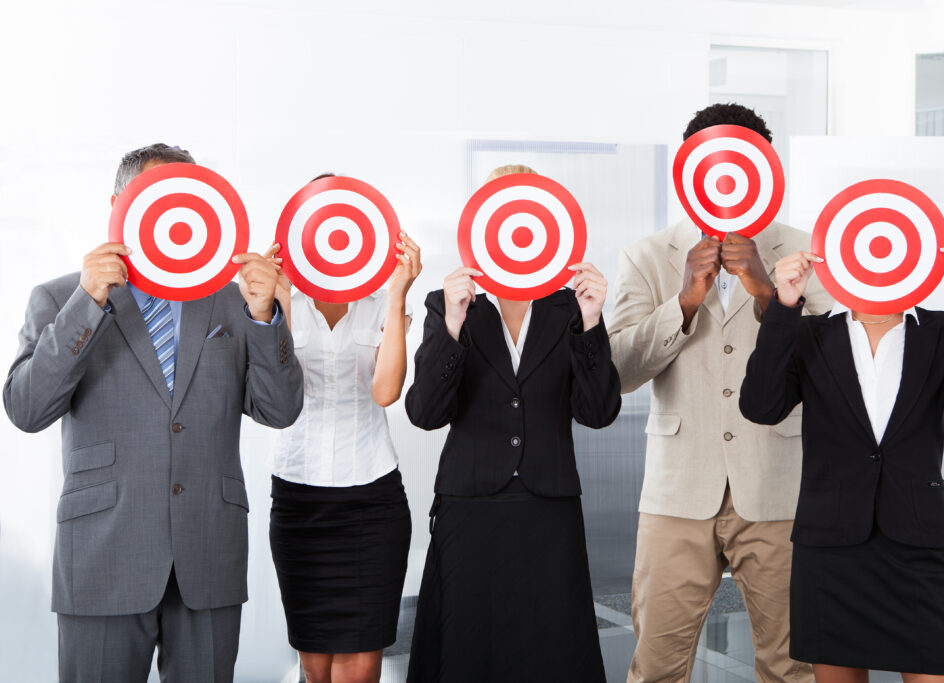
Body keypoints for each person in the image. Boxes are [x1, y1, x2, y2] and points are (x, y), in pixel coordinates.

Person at [3, 143, 304, 682]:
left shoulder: (235, 303)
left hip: (208, 556)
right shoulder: (59, 299)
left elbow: (280, 411)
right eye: (155, 198)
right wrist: (87, 303)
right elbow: (26, 409)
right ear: (118, 205)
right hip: (103, 557)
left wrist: (266, 319)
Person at [607, 103, 830, 682]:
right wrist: (682, 302)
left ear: (766, 166)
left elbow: (832, 370)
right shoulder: (648, 255)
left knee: (793, 668)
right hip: (677, 488)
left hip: (779, 484)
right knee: (656, 666)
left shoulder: (805, 249)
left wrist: (765, 290)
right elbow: (619, 372)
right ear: (689, 166)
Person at [739, 245, 944, 682]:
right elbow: (760, 406)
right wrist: (785, 303)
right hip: (831, 549)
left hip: (917, 545)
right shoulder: (810, 333)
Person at [403, 164, 621, 683]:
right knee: (467, 651)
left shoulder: (571, 305)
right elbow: (425, 412)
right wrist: (453, 325)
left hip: (548, 507)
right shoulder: (449, 302)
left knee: (552, 654)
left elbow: (598, 412)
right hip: (471, 505)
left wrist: (591, 321)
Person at [264, 176, 422, 683]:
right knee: (314, 663)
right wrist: (277, 304)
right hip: (299, 499)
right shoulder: (282, 299)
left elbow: (385, 391)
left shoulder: (381, 300)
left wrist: (397, 294)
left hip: (371, 499)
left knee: (360, 663)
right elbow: (276, 391)